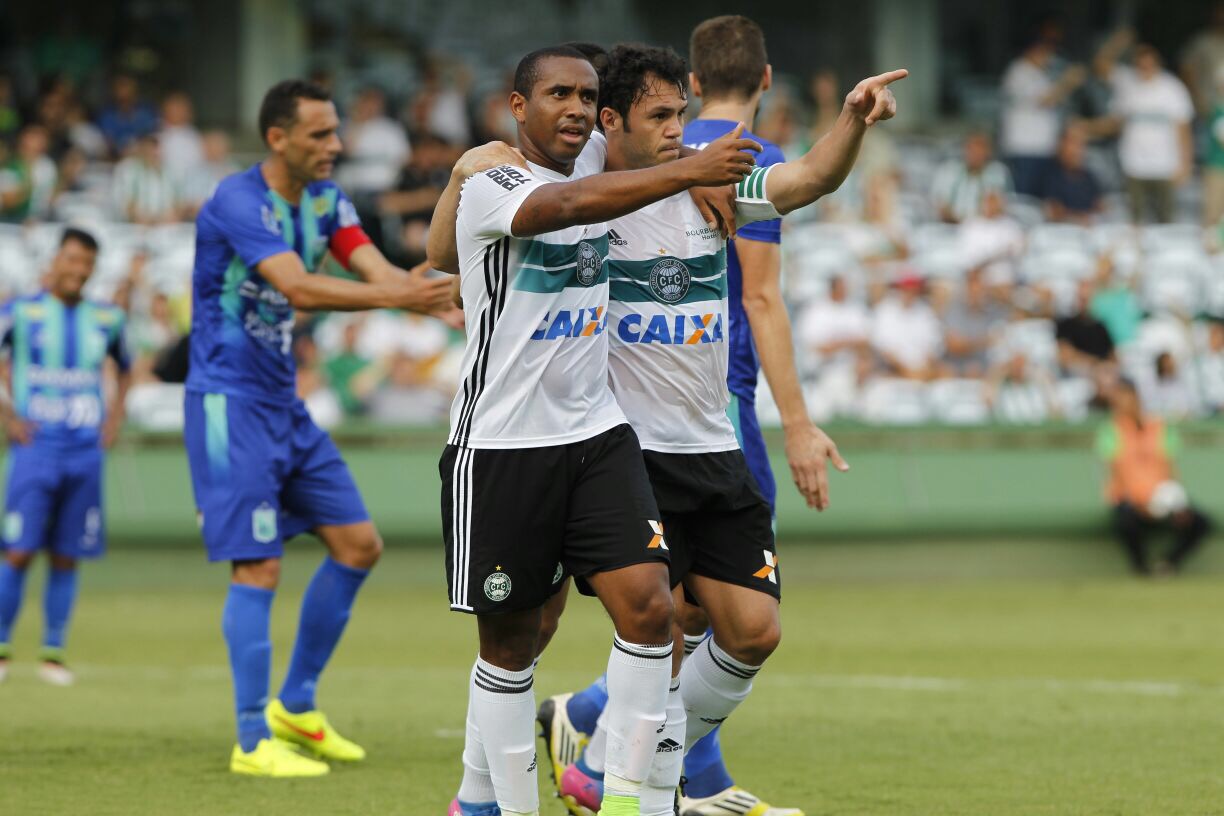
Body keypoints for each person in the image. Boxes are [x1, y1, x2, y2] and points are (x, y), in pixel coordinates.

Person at [542, 43, 897, 816]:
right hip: (627, 454)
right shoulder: (579, 192)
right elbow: (517, 166)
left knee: (753, 630)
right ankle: (648, 792)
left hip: (714, 446)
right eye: (661, 117)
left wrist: (851, 122)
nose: (680, 130)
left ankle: (606, 763)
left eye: (682, 112)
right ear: (612, 123)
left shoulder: (716, 183)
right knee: (659, 629)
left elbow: (806, 179)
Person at [425, 45, 761, 816]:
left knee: (651, 611)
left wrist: (691, 176)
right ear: (518, 106)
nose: (574, 108)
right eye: (556, 95)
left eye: (584, 96)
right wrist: (689, 172)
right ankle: (491, 804)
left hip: (599, 434)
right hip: (504, 443)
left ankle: (634, 803)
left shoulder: (601, 171)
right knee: (515, 642)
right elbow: (553, 214)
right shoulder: (497, 175)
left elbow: (632, 153)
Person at [184, 79, 462, 778]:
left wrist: (419, 291)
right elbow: (299, 288)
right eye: (319, 134)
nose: (336, 145)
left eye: (336, 131)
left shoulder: (326, 199)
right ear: (277, 138)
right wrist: (402, 296)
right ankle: (252, 741)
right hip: (228, 403)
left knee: (358, 544)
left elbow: (377, 270)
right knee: (260, 564)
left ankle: (296, 707)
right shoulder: (237, 201)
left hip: (282, 403)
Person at [0, 228, 130, 686]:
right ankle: (1, 647)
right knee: (17, 550)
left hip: (84, 452)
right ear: (55, 260)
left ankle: (53, 652)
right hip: (37, 448)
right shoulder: (20, 312)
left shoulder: (108, 319)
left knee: (67, 554)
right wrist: (8, 414)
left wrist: (113, 419)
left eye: (87, 263)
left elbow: (125, 369)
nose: (78, 270)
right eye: (72, 260)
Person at [1098, 379, 1211, 575]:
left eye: (1123, 397)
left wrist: (1177, 502)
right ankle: (1141, 569)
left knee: (1200, 523)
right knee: (1125, 522)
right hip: (1130, 501)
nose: (1119, 403)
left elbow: (1170, 468)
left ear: (1135, 396)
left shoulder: (1159, 425)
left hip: (1160, 498)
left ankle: (1167, 564)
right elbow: (1118, 472)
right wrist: (1139, 503)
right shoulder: (1111, 430)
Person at [1108, 45, 1194, 224]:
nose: (1145, 70)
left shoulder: (1173, 88)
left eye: (1149, 65)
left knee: (1165, 218)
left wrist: (1185, 163)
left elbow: (1183, 129)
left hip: (1165, 165)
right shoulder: (1128, 87)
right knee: (1136, 218)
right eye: (1141, 66)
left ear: (1157, 64)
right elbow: (1116, 122)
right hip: (1134, 164)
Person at [999, 38, 1085, 197]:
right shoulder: (1019, 72)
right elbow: (1044, 101)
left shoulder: (1041, 74)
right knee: (1024, 198)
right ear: (1033, 51)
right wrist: (1068, 81)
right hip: (1025, 149)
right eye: (1045, 53)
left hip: (1044, 148)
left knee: (1041, 200)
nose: (1049, 58)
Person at [872, 272, 944, 380]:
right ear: (899, 289)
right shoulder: (885, 311)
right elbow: (883, 348)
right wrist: (905, 370)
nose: (910, 293)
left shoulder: (925, 312)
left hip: (922, 372)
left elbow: (934, 346)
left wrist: (923, 369)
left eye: (913, 290)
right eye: (906, 289)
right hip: (892, 370)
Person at [931, 130, 1012, 224]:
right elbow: (940, 205)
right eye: (971, 148)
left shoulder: (997, 173)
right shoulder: (949, 171)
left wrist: (971, 224)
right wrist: (957, 220)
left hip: (982, 228)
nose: (975, 153)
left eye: (980, 149)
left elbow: (995, 209)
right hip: (949, 225)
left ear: (988, 152)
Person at [1041, 124, 1103, 224]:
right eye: (1073, 143)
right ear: (1061, 145)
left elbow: (1100, 207)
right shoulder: (1050, 174)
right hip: (1060, 232)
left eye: (1082, 144)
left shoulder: (1088, 176)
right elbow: (1053, 213)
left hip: (1089, 231)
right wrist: (1079, 219)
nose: (1078, 150)